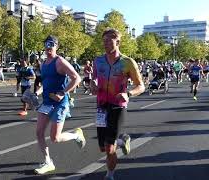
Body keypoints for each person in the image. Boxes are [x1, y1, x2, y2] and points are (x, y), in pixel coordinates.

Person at [90, 29, 145, 180]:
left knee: (109, 147)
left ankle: (110, 175)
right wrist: (93, 84)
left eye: (109, 41)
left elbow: (141, 86)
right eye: (104, 41)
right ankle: (123, 139)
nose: (106, 44)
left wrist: (128, 94)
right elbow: (94, 77)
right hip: (101, 105)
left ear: (118, 42)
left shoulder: (127, 62)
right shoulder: (98, 60)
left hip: (118, 105)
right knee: (103, 147)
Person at [34, 35, 86, 175]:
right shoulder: (44, 63)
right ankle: (48, 162)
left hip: (59, 103)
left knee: (55, 138)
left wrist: (63, 92)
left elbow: (77, 78)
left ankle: (76, 135)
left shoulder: (60, 61)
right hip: (46, 103)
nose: (48, 47)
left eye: (51, 44)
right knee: (39, 133)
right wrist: (36, 93)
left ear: (56, 46)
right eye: (46, 44)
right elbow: (45, 84)